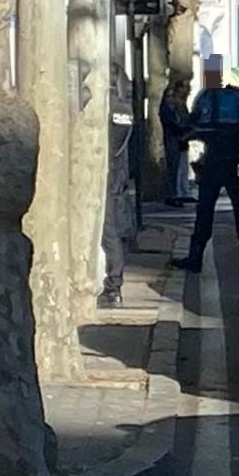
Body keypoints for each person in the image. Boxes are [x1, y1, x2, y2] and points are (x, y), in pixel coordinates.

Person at [170, 59, 239, 273]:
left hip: (213, 161)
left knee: (205, 210)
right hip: (235, 159)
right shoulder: (237, 96)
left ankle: (196, 258)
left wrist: (190, 135)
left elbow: (191, 127)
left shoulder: (205, 98)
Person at [99, 58, 138, 307]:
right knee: (109, 230)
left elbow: (113, 144)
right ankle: (113, 284)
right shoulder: (123, 108)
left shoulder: (111, 107)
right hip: (116, 174)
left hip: (108, 174)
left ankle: (113, 285)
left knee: (108, 231)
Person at [158, 75, 193, 205]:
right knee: (174, 166)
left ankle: (182, 191)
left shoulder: (181, 104)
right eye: (186, 87)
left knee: (182, 165)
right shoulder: (171, 104)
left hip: (181, 137)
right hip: (173, 137)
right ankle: (175, 193)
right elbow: (171, 121)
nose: (188, 91)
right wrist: (181, 131)